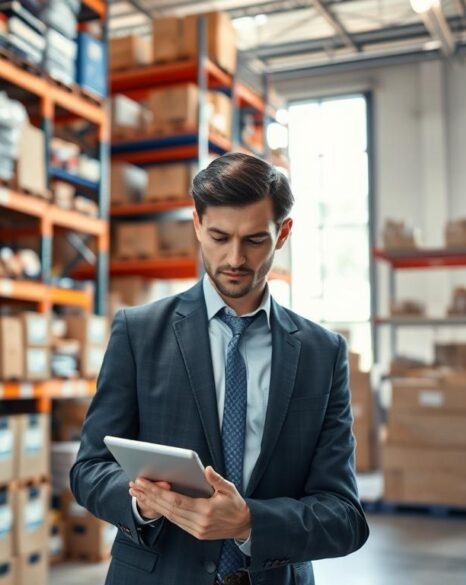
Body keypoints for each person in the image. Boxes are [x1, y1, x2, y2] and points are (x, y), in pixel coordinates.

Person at [70, 153, 369, 585]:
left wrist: (248, 521)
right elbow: (89, 469)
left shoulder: (322, 354)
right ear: (196, 224)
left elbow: (344, 517)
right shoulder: (139, 333)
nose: (235, 258)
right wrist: (144, 502)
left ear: (283, 233)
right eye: (219, 236)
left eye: (254, 240)